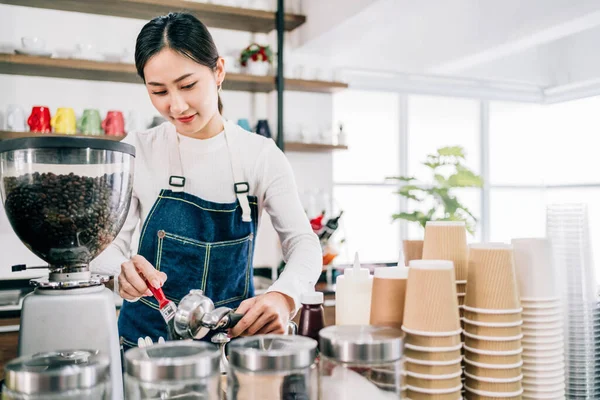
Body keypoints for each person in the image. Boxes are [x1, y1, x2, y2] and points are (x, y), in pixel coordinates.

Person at [91, 12, 322, 349]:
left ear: (218, 72)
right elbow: (105, 247)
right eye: (158, 91)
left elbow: (303, 242)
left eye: (187, 85)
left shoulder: (260, 155)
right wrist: (120, 271)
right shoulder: (139, 149)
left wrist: (284, 296)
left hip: (232, 348)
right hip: (145, 349)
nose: (176, 105)